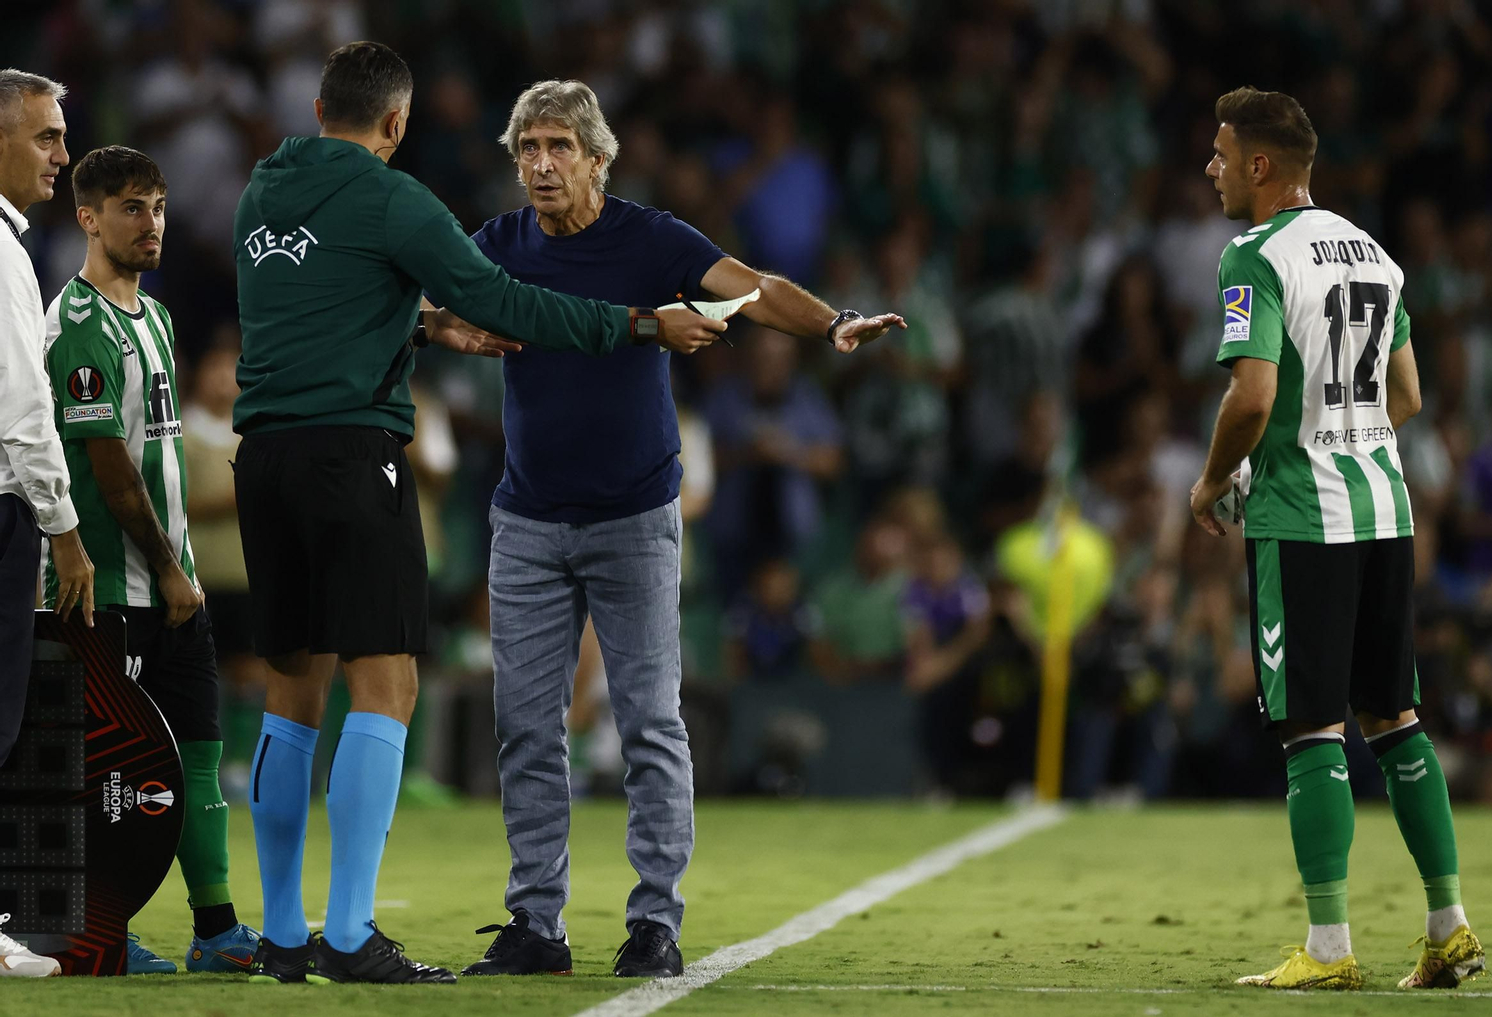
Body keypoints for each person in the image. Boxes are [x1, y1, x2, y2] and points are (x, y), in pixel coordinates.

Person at [232, 43, 725, 988]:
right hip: (351, 458)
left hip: (264, 462)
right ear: (396, 123)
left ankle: (284, 934)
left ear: (318, 106)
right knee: (387, 690)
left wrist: (423, 326)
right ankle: (347, 936)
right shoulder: (396, 200)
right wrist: (639, 322)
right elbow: (501, 298)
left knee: (291, 698)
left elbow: (328, 297)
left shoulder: (264, 192)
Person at [440, 80, 903, 980]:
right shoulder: (497, 244)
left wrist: (833, 322)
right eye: (526, 148)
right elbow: (434, 301)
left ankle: (655, 920)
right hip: (527, 518)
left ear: (597, 159)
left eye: (557, 147)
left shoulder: (652, 239)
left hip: (634, 516)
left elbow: (755, 289)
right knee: (526, 729)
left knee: (651, 722)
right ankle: (535, 922)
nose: (538, 164)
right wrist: (442, 328)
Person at [1189, 86, 1484, 991]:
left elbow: (1250, 397)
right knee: (1397, 720)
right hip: (1385, 508)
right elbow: (1408, 399)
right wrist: (1342, 436)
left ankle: (1327, 947)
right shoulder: (1376, 253)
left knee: (1312, 728)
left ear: (1261, 166)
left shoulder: (1255, 255)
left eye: (1222, 153)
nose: (1212, 166)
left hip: (1304, 520)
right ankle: (1448, 926)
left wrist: (1213, 480)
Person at [42, 144, 260, 975]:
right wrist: (170, 567)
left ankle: (217, 928)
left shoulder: (159, 317)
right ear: (88, 217)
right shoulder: (76, 326)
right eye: (132, 207)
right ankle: (104, 930)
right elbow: (110, 468)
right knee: (109, 774)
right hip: (109, 589)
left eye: (159, 205)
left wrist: (182, 572)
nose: (151, 221)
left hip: (176, 586)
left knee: (199, 757)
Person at [0, 67, 94, 983]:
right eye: (43, 136)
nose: (61, 154)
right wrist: (62, 526)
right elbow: (26, 412)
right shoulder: (2, 252)